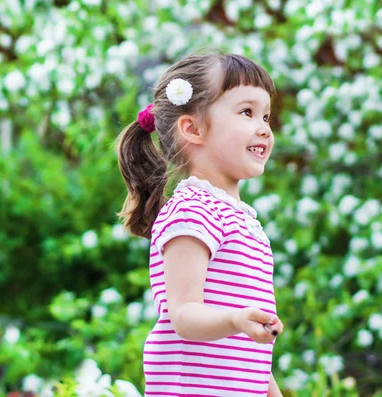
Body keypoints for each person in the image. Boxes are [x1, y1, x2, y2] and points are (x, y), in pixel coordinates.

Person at [116, 50, 284, 397]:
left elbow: (251, 355)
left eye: (266, 116)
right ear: (192, 128)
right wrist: (236, 320)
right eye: (247, 112)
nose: (264, 129)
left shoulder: (244, 222)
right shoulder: (193, 211)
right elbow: (184, 314)